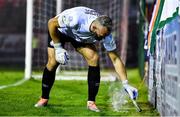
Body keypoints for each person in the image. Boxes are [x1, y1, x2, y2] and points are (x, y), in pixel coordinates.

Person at [34, 6, 138, 112]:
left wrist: (125, 83)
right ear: (94, 28)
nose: (103, 38)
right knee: (53, 62)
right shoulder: (75, 19)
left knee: (94, 58)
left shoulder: (106, 35)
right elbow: (51, 23)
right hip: (60, 32)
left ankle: (91, 103)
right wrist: (58, 48)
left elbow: (115, 59)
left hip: (79, 37)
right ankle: (44, 98)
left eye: (105, 35)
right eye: (101, 36)